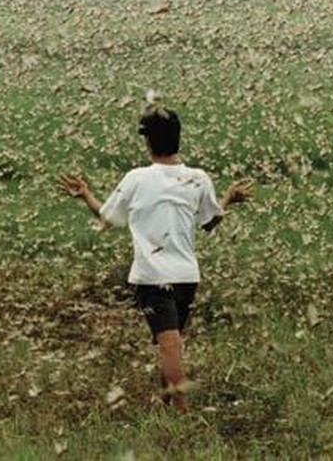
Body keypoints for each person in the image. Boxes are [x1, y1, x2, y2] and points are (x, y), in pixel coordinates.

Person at [59, 103, 253, 413]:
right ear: (178, 138)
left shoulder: (137, 178)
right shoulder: (198, 177)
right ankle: (181, 411)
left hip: (159, 276)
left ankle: (173, 410)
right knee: (171, 345)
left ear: (147, 142)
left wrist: (86, 196)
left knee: (169, 346)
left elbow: (108, 217)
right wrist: (228, 199)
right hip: (184, 277)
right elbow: (210, 223)